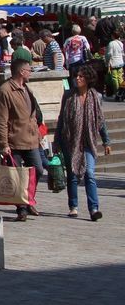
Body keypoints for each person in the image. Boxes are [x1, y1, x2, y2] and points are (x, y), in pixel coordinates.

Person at [0, 47, 44, 221]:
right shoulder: (6, 90)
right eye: (30, 70)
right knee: (16, 176)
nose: (31, 72)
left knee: (38, 169)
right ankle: (21, 208)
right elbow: (1, 119)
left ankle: (28, 200)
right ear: (22, 72)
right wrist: (3, 143)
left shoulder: (26, 88)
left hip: (31, 139)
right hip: (14, 140)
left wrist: (39, 135)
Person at [57, 66, 112, 220]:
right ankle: (73, 206)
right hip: (70, 140)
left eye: (81, 76)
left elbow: (101, 121)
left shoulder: (96, 97)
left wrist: (106, 141)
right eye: (76, 76)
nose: (77, 79)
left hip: (88, 141)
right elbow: (61, 119)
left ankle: (94, 209)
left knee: (90, 173)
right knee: (73, 174)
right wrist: (56, 142)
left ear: (88, 79)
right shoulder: (68, 96)